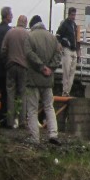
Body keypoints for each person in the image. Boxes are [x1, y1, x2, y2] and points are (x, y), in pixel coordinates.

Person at [23, 14, 62, 145]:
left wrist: (41, 67)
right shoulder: (52, 38)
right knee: (49, 106)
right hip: (48, 79)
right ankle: (53, 134)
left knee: (32, 109)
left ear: (32, 25)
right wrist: (50, 68)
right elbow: (58, 55)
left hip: (33, 78)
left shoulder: (30, 37)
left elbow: (29, 54)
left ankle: (35, 138)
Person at [1, 15, 29, 128]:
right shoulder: (28, 34)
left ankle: (10, 121)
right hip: (23, 67)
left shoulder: (10, 32)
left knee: (10, 93)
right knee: (22, 94)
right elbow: (31, 52)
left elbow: (3, 50)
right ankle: (22, 121)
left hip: (11, 65)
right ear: (25, 23)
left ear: (18, 21)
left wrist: (6, 63)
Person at [56, 7, 80, 97]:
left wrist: (78, 50)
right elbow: (58, 35)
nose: (73, 16)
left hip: (74, 50)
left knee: (72, 72)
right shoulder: (64, 24)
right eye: (72, 15)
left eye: (74, 15)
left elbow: (77, 39)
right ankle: (64, 91)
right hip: (67, 49)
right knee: (66, 70)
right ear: (69, 14)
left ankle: (67, 91)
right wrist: (59, 44)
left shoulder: (74, 25)